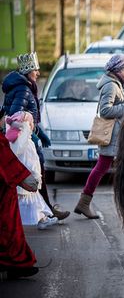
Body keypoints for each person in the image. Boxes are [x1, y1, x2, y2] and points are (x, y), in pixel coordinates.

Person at [1, 52, 70, 220]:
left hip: (27, 136)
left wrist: (39, 132)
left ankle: (45, 212)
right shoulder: (24, 89)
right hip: (25, 141)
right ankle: (46, 212)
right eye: (35, 70)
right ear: (28, 71)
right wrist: (37, 136)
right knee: (35, 177)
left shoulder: (20, 86)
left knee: (32, 178)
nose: (38, 73)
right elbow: (15, 116)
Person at [74, 54, 124, 219]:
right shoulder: (111, 86)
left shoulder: (116, 83)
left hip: (117, 135)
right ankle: (84, 203)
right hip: (111, 135)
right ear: (120, 69)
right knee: (102, 167)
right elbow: (105, 111)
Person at [6, 111, 58, 229]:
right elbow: (25, 156)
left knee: (33, 200)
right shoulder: (22, 136)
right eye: (31, 122)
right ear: (26, 124)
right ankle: (40, 220)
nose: (33, 124)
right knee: (25, 201)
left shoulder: (21, 136)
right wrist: (34, 174)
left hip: (26, 177)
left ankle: (42, 220)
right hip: (26, 177)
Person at [0, 131, 40, 280]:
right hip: (3, 194)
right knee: (8, 227)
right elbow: (7, 162)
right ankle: (15, 264)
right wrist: (25, 179)